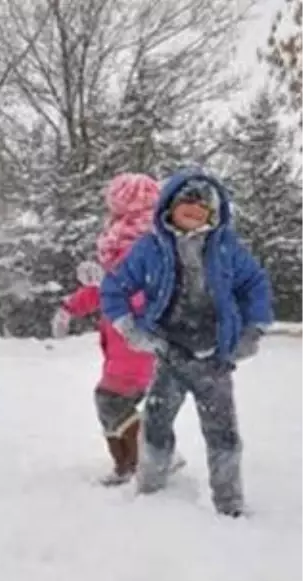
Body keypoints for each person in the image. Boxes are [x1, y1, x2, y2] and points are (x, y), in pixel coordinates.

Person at [101, 168, 273, 518]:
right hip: (170, 352)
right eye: (186, 209)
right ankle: (150, 490)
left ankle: (229, 503)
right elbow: (114, 286)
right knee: (156, 424)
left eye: (202, 212)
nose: (193, 217)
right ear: (169, 207)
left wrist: (253, 329)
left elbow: (255, 285)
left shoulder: (227, 248)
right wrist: (130, 328)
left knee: (223, 433)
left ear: (215, 214)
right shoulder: (150, 248)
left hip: (215, 357)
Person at [52, 173, 161, 486]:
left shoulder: (145, 245)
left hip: (136, 341)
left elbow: (145, 295)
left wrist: (110, 286)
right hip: (127, 342)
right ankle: (131, 462)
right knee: (113, 401)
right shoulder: (126, 242)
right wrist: (71, 305)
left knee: (111, 399)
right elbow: (105, 289)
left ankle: (150, 455)